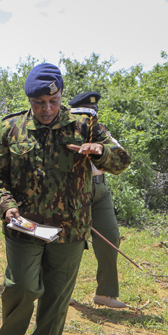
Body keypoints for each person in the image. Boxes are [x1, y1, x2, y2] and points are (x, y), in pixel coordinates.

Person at [0, 63, 131, 335]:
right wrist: (7, 205)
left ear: (61, 96)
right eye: (39, 103)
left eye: (52, 101)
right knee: (22, 286)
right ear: (30, 101)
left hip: (70, 230)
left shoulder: (85, 125)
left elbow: (122, 160)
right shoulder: (12, 128)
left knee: (56, 297)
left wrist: (100, 152)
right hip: (24, 227)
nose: (47, 109)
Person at [68, 91, 130, 309]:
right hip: (75, 191)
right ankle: (61, 292)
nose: (88, 118)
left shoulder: (100, 131)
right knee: (72, 243)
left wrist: (101, 149)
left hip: (100, 188)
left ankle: (106, 293)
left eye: (92, 113)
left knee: (110, 237)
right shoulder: (65, 130)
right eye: (84, 113)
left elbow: (120, 154)